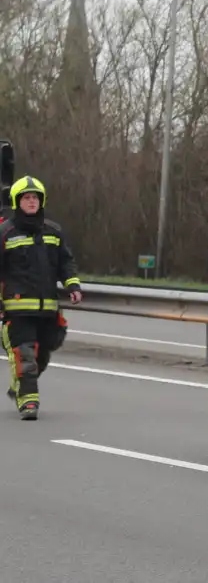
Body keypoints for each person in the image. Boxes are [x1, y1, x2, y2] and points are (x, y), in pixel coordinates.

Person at [0, 176, 82, 420]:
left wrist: (73, 284)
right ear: (17, 202)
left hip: (47, 308)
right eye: (26, 197)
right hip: (17, 309)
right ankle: (28, 404)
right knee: (24, 355)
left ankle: (19, 388)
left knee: (42, 355)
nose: (31, 201)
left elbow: (66, 262)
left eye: (35, 197)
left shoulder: (54, 231)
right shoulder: (5, 233)